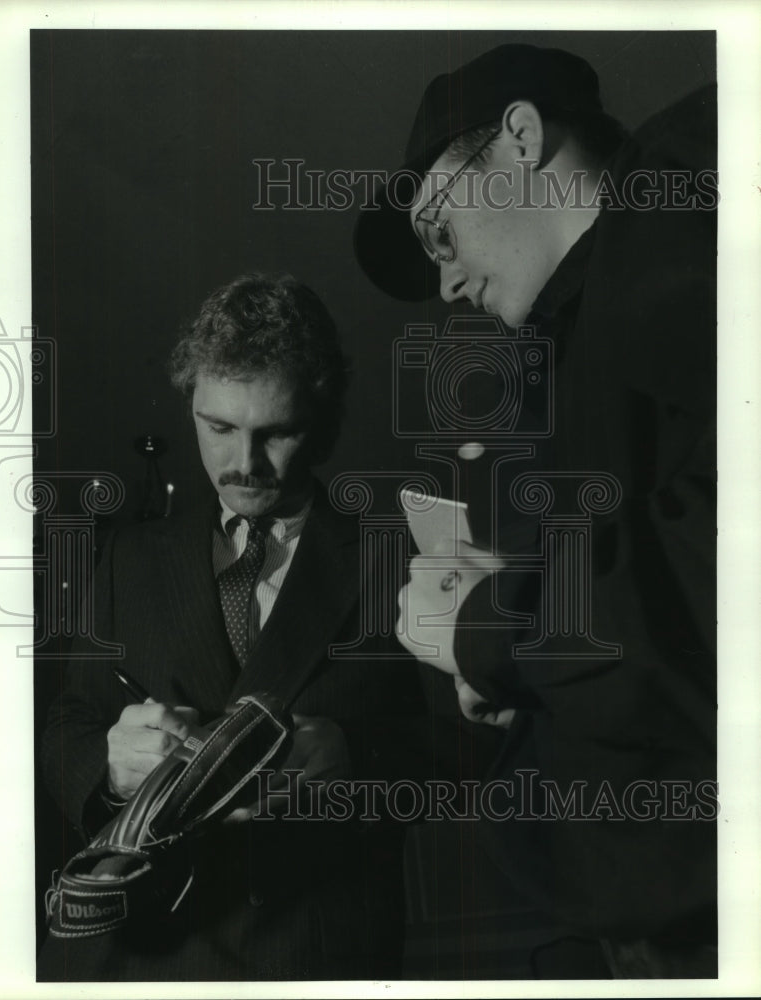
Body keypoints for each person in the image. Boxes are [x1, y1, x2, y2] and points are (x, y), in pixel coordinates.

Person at [355, 43, 717, 978]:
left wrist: (488, 626)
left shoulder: (678, 207)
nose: (446, 282)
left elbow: (721, 563)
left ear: (520, 136)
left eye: (440, 230)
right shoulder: (579, 342)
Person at [38, 272, 424, 981]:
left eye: (276, 433)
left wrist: (357, 755)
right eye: (218, 429)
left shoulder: (397, 554)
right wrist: (112, 769)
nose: (242, 465)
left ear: (326, 422)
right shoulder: (128, 554)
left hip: (316, 958)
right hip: (139, 955)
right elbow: (67, 722)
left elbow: (468, 751)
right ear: (191, 405)